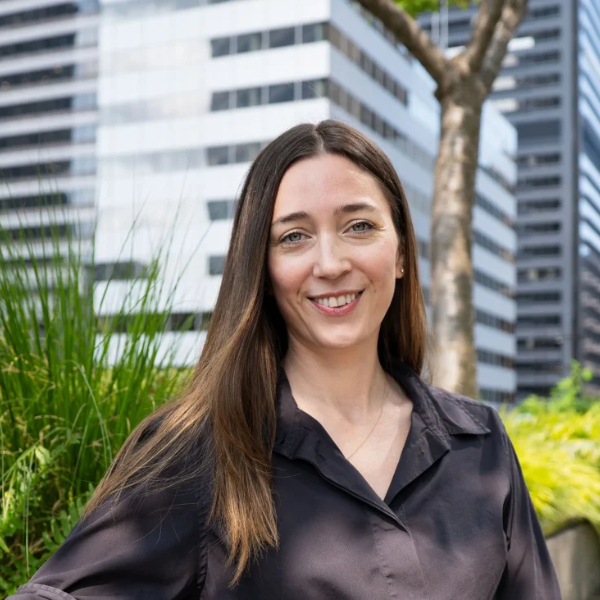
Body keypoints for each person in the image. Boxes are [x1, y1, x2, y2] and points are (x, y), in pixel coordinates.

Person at [8, 120, 561, 600]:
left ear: (400, 252)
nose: (330, 262)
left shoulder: (480, 443)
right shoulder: (199, 450)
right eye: (294, 237)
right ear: (262, 269)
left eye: (359, 226)